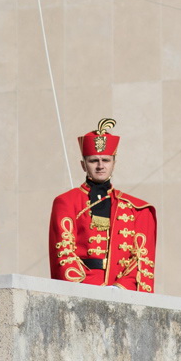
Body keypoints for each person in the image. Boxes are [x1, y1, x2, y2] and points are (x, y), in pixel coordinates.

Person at [48, 118, 157, 291]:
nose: (100, 166)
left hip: (120, 290)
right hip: (82, 288)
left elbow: (140, 259)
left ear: (114, 163)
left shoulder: (135, 209)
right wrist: (87, 289)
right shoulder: (66, 202)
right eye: (93, 161)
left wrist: (120, 288)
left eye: (106, 160)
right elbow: (63, 253)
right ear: (83, 165)